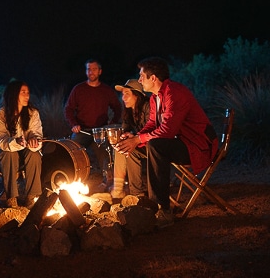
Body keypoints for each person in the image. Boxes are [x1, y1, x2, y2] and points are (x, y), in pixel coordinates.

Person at [115, 56, 218, 228]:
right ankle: (139, 198)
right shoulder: (156, 96)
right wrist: (134, 139)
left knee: (156, 146)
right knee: (132, 148)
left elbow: (167, 131)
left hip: (198, 145)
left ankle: (162, 209)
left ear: (153, 78)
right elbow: (152, 124)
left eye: (142, 76)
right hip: (182, 142)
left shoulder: (173, 93)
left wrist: (138, 139)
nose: (140, 80)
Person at [64, 59, 122, 190]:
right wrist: (73, 124)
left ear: (100, 71)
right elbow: (68, 109)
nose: (91, 72)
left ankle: (108, 181)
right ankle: (70, 180)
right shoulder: (78, 89)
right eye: (88, 69)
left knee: (105, 154)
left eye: (94, 69)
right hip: (82, 130)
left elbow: (117, 108)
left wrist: (111, 125)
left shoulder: (106, 90)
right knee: (72, 152)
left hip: (100, 130)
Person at [0, 79, 43, 209]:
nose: (27, 96)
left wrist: (33, 140)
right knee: (9, 155)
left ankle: (32, 197)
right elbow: (0, 139)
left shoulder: (33, 113)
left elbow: (36, 133)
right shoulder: (2, 113)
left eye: (28, 92)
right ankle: (11, 198)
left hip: (24, 154)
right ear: (14, 94)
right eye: (23, 92)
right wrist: (16, 142)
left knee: (34, 155)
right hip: (3, 155)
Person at [111, 79, 150, 200]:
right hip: (141, 144)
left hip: (154, 145)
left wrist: (134, 137)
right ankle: (120, 190)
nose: (123, 98)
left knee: (128, 147)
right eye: (123, 94)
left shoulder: (148, 107)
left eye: (127, 93)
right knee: (121, 146)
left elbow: (152, 130)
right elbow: (125, 129)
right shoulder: (128, 112)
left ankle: (136, 193)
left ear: (137, 95)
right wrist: (123, 136)